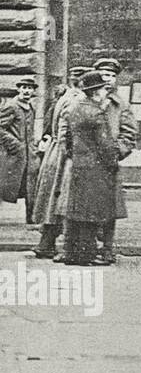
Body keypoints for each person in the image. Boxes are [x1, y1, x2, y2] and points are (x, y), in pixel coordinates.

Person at [61, 72, 121, 266]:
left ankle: (71, 252)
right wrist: (113, 164)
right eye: (103, 89)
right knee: (92, 212)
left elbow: (68, 140)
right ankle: (88, 254)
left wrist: (75, 156)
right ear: (95, 92)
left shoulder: (74, 109)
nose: (105, 93)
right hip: (96, 168)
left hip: (79, 165)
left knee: (76, 211)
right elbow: (106, 145)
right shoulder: (96, 113)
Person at [29, 67, 89, 260]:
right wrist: (72, 155)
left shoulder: (64, 96)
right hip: (65, 154)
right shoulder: (77, 99)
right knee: (65, 200)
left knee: (52, 200)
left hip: (55, 153)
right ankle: (69, 247)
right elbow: (67, 131)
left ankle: (46, 243)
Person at [91, 58, 135, 265]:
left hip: (108, 164)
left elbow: (129, 133)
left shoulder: (121, 104)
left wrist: (117, 152)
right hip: (86, 162)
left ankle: (107, 249)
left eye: (111, 75)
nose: (107, 79)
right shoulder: (86, 100)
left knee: (109, 209)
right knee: (85, 206)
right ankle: (88, 247)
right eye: (103, 75)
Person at [0, 76, 39, 224]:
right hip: (14, 155)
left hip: (29, 155)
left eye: (30, 88)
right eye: (24, 88)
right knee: (5, 185)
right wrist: (15, 145)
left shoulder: (31, 107)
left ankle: (31, 218)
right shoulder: (12, 106)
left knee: (31, 185)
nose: (27, 91)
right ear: (18, 89)